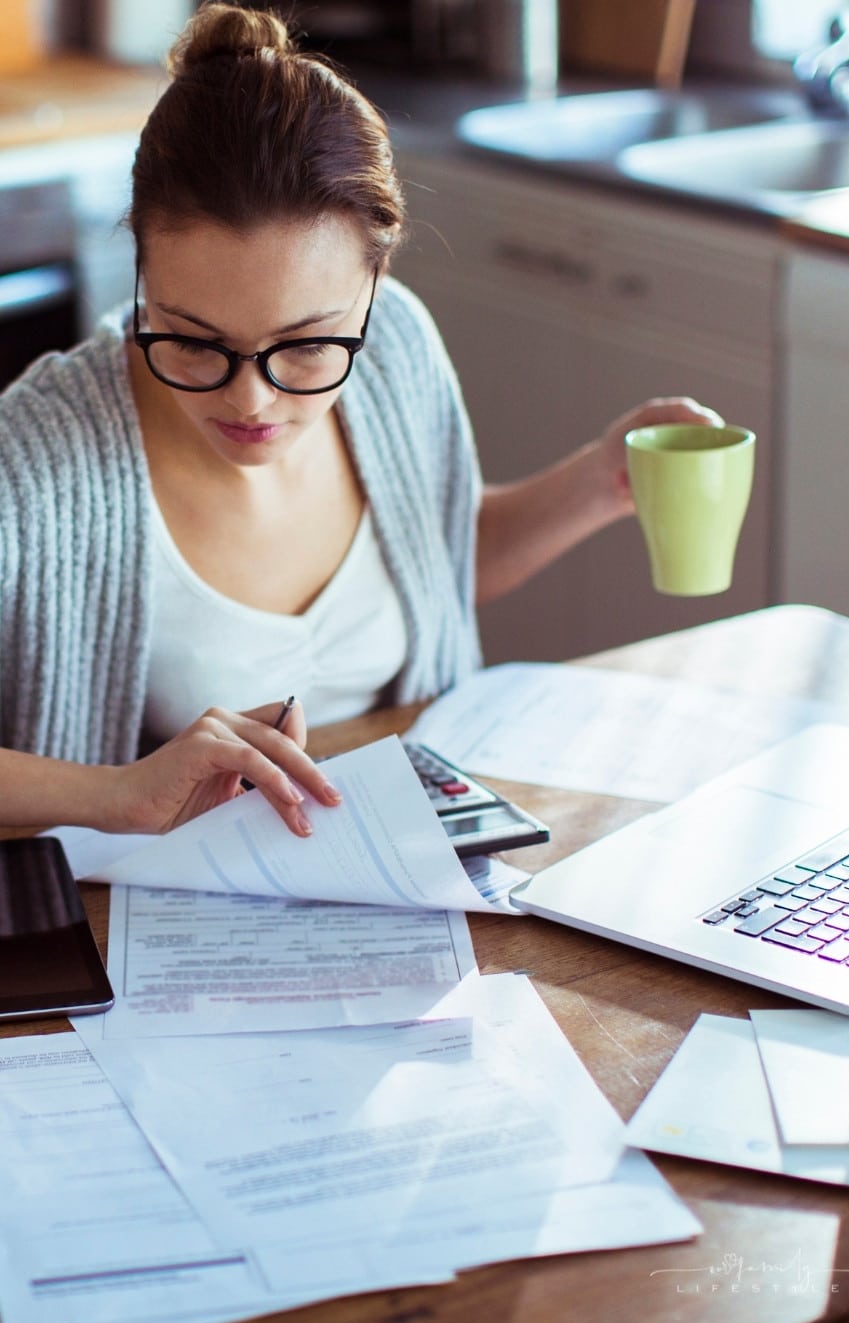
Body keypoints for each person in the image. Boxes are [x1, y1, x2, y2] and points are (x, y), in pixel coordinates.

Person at [0, 0, 721, 839]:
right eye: (195, 341)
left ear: (377, 283)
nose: (250, 400)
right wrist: (117, 794)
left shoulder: (398, 348)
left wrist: (600, 482)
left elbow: (434, 558)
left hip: (407, 877)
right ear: (141, 272)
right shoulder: (36, 462)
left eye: (304, 347)